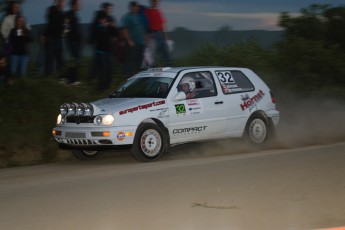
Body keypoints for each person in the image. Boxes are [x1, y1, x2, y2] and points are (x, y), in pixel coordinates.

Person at [122, 1, 146, 76]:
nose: (136, 8)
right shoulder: (128, 17)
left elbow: (143, 28)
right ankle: (127, 76)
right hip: (133, 42)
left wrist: (145, 39)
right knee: (130, 60)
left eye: (137, 7)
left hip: (141, 42)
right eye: (135, 6)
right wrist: (129, 40)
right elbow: (125, 29)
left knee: (139, 60)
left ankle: (137, 76)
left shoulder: (140, 16)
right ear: (131, 7)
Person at [94, 13, 117, 90]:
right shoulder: (97, 28)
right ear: (100, 20)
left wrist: (113, 27)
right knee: (103, 70)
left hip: (109, 52)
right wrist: (104, 27)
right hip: (101, 53)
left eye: (105, 19)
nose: (105, 21)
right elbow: (98, 38)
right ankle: (101, 87)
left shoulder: (108, 28)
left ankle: (107, 86)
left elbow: (115, 34)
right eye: (103, 19)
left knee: (110, 70)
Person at [42, 0, 66, 77]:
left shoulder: (63, 14)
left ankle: (60, 76)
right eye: (61, 2)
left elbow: (65, 26)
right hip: (51, 39)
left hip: (59, 39)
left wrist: (64, 32)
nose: (63, 4)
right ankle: (48, 77)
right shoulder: (52, 9)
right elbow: (51, 19)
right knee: (50, 59)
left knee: (60, 58)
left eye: (64, 2)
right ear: (57, 2)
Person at [145, 0, 170, 67]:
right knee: (152, 55)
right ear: (151, 2)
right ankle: (151, 72)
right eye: (154, 1)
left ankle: (168, 70)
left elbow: (163, 23)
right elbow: (145, 25)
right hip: (153, 34)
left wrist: (166, 35)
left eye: (156, 1)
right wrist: (147, 37)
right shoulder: (147, 11)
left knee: (166, 54)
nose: (155, 2)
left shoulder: (159, 11)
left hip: (161, 34)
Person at [64, 0, 82, 85]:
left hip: (76, 42)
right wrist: (67, 36)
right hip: (72, 41)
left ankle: (73, 79)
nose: (80, 5)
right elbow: (66, 27)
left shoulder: (74, 15)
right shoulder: (69, 15)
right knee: (73, 60)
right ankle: (71, 80)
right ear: (73, 5)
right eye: (78, 4)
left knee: (75, 60)